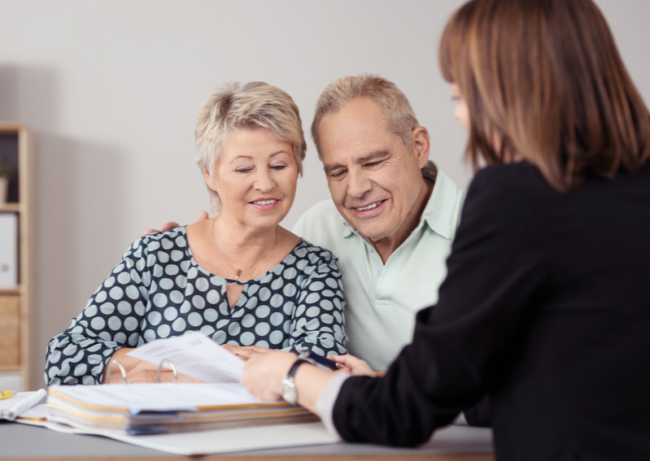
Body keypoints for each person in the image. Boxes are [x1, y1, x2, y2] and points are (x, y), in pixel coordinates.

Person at [241, 0, 650, 459]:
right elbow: (548, 373)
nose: (461, 115)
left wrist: (295, 377)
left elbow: (403, 411)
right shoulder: (629, 190)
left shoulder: (517, 197)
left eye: (462, 96)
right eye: (337, 171)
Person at [44, 81, 347, 385]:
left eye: (279, 165)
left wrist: (158, 369)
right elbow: (65, 357)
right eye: (244, 169)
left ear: (299, 167)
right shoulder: (155, 254)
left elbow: (322, 371)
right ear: (210, 175)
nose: (266, 183)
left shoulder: (315, 268)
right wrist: (194, 362)